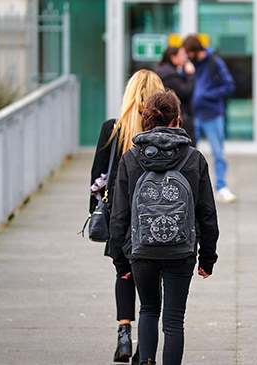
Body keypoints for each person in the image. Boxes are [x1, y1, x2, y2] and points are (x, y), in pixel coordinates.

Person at [109, 90, 219, 365]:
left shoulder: (131, 158)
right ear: (178, 119)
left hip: (140, 251)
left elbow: (119, 214)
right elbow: (207, 213)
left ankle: (146, 361)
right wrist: (207, 257)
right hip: (181, 251)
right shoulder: (194, 158)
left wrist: (120, 261)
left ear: (147, 118)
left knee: (147, 310)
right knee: (173, 320)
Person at [89, 69, 165, 364]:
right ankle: (143, 351)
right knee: (151, 282)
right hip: (153, 217)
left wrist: (97, 216)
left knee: (124, 274)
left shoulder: (113, 129)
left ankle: (124, 332)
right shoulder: (164, 133)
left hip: (120, 219)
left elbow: (98, 176)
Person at [182, 35, 237, 203]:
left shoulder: (215, 62)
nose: (186, 56)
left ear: (194, 51)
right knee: (188, 152)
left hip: (213, 115)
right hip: (193, 115)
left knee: (218, 153)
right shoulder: (189, 66)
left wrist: (207, 96)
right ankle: (189, 187)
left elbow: (229, 85)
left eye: (188, 52)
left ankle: (221, 187)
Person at [156, 46, 197, 146]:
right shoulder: (169, 75)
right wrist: (190, 75)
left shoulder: (164, 72)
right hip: (177, 120)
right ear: (173, 58)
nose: (186, 58)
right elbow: (186, 92)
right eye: (182, 55)